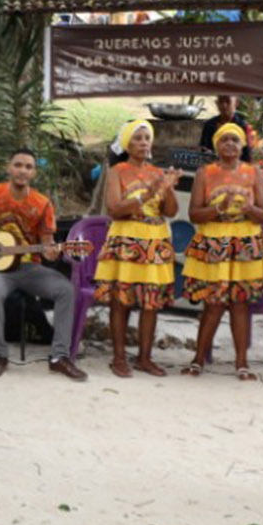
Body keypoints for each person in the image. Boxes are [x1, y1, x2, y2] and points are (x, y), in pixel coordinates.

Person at [0, 148, 88, 381]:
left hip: (29, 268)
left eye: (28, 167)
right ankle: (0, 357)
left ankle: (59, 357)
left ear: (34, 173)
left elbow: (47, 246)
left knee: (65, 290)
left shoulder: (42, 204)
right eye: (18, 165)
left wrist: (53, 252)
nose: (22, 170)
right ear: (8, 167)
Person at [182, 122, 263, 379]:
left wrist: (248, 208)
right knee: (213, 304)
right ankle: (198, 359)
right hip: (214, 244)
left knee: (240, 304)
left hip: (245, 244)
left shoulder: (253, 172)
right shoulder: (205, 172)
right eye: (224, 140)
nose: (230, 144)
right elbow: (194, 213)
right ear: (216, 145)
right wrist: (218, 209)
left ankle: (242, 363)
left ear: (243, 144)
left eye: (235, 140)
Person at [92, 118, 181, 378]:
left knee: (151, 303)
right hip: (126, 239)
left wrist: (168, 189)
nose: (143, 143)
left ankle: (145, 358)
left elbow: (171, 212)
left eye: (146, 138)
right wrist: (148, 192)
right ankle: (118, 358)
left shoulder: (157, 172)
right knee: (121, 301)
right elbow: (115, 209)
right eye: (137, 138)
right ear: (126, 143)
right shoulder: (117, 171)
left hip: (156, 240)